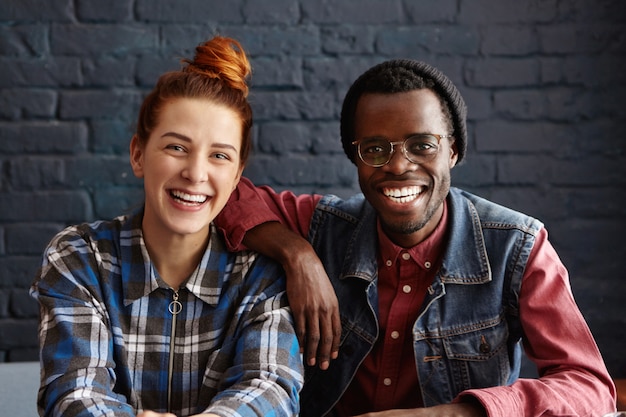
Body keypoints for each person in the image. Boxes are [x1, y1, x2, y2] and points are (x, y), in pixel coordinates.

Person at [214, 59, 617, 416]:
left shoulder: (517, 247)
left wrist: (459, 413)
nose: (398, 165)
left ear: (453, 151)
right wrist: (297, 254)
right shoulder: (325, 227)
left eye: (422, 145)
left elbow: (589, 387)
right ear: (356, 158)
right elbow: (223, 192)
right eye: (374, 148)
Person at [30, 36, 303, 417]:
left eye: (219, 155)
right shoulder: (79, 259)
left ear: (238, 174)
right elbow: (75, 394)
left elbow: (271, 388)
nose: (195, 173)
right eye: (176, 147)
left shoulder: (260, 276)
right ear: (138, 154)